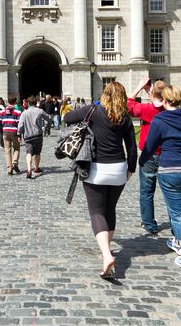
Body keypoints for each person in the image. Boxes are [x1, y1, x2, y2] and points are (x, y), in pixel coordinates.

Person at [63, 81, 137, 279]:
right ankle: (107, 248)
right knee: (110, 208)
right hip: (118, 169)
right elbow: (131, 147)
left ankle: (106, 254)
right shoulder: (125, 117)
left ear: (104, 94)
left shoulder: (93, 111)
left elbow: (67, 118)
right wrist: (131, 169)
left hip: (96, 168)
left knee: (96, 211)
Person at [139, 84, 181, 274]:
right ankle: (178, 239)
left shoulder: (160, 119)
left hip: (171, 171)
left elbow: (150, 146)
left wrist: (141, 162)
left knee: (180, 213)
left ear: (163, 100)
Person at [128, 77, 166, 235]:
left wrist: (138, 87)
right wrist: (151, 92)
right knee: (171, 193)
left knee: (147, 191)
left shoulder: (147, 110)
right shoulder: (170, 109)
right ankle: (177, 223)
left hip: (149, 155)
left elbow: (128, 104)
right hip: (167, 156)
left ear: (153, 95)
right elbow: (160, 102)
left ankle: (149, 224)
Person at [17, 96, 51, 179]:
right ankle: (36, 168)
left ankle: (29, 170)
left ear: (28, 103)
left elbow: (20, 125)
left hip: (28, 136)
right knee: (37, 153)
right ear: (36, 103)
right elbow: (49, 118)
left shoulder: (24, 113)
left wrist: (19, 134)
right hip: (38, 135)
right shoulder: (40, 111)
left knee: (29, 153)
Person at [0, 97, 23, 175]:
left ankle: (9, 169)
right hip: (14, 132)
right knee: (16, 148)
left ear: (7, 102)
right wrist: (20, 134)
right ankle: (15, 162)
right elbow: (20, 123)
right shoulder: (17, 112)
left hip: (5, 131)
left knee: (7, 150)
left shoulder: (2, 111)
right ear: (15, 102)